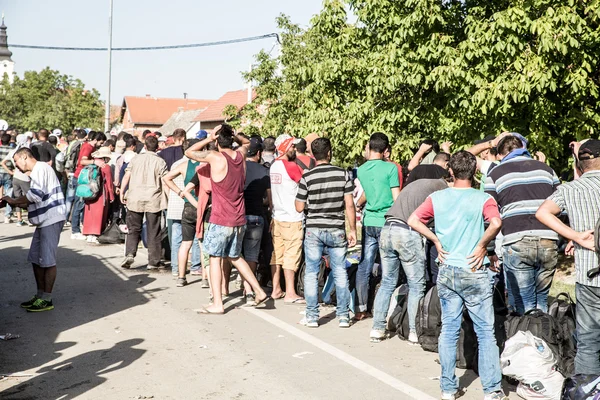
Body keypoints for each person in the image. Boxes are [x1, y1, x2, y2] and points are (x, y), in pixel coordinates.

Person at [408, 151, 506, 400]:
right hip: (474, 269)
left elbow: (413, 219)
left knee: (449, 329)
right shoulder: (483, 198)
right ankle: (492, 389)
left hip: (448, 267)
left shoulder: (437, 197)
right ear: (475, 172)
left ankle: (448, 387)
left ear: (450, 171)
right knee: (485, 332)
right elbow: (495, 223)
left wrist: (436, 240)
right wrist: (483, 245)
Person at [185, 124, 270, 314]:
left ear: (217, 140)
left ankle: (217, 303)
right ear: (231, 139)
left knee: (215, 258)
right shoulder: (240, 154)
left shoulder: (214, 157)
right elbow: (246, 141)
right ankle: (258, 291)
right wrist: (235, 134)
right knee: (235, 256)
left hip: (220, 217)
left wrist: (208, 138)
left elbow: (189, 152)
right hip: (239, 217)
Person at [535, 139, 600, 375]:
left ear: (580, 165)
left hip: (589, 274)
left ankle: (588, 390)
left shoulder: (570, 189)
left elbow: (543, 212)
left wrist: (575, 236)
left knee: (589, 342)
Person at [485, 135, 559, 314]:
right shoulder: (547, 170)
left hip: (516, 239)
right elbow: (561, 207)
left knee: (523, 300)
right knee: (542, 298)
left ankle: (526, 336)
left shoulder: (494, 174)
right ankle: (543, 336)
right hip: (548, 238)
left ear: (501, 154)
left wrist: (489, 249)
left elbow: (488, 214)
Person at [370, 177, 448, 343]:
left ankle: (377, 328)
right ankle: (414, 331)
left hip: (387, 228)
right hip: (407, 232)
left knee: (387, 282)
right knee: (416, 285)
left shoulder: (419, 184)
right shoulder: (442, 187)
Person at [295, 137, 357, 328]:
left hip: (314, 229)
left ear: (312, 155)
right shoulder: (343, 174)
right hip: (337, 229)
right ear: (329, 153)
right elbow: (349, 204)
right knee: (340, 271)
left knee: (312, 272)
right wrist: (352, 229)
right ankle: (344, 316)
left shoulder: (307, 176)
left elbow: (299, 207)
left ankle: (312, 316)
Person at [2, 147, 67, 312]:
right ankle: (40, 295)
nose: (16, 166)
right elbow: (34, 200)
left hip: (51, 218)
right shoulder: (38, 171)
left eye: (16, 161)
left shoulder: (40, 169)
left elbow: (34, 197)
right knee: (36, 259)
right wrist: (12, 202)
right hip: (44, 220)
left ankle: (47, 298)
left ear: (24, 157)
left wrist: (14, 201)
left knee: (47, 260)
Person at [355, 132, 401, 320]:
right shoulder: (390, 169)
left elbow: (368, 191)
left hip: (368, 222)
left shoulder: (362, 169)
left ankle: (360, 308)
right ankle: (385, 309)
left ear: (369, 146)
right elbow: (396, 198)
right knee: (389, 267)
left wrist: (359, 202)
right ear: (385, 150)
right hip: (386, 222)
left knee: (364, 265)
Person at [120, 135, 168, 270]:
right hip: (154, 199)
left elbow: (126, 176)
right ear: (157, 147)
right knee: (154, 230)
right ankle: (153, 261)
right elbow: (165, 181)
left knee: (133, 228)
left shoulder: (135, 159)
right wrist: (168, 198)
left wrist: (123, 192)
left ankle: (130, 253)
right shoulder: (161, 162)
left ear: (145, 146)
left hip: (135, 197)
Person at [269, 134, 306, 303]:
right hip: (293, 217)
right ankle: (290, 292)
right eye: (292, 146)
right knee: (292, 255)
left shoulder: (273, 166)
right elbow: (306, 183)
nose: (295, 149)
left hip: (278, 216)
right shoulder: (291, 166)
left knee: (277, 254)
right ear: (284, 148)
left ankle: (276, 288)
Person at [162, 139, 204, 286]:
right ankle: (205, 278)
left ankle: (181, 277)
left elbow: (166, 178)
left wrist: (180, 192)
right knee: (202, 243)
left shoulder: (184, 165)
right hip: (202, 205)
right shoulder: (205, 165)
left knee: (185, 243)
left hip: (186, 207)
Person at [240, 137, 272, 304]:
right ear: (259, 154)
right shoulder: (264, 171)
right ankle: (249, 289)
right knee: (252, 255)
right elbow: (269, 200)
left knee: (236, 255)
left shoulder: (239, 168)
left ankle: (225, 287)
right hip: (257, 216)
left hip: (238, 215)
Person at [71, 132, 106, 240]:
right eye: (101, 142)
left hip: (83, 178)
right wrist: (95, 161)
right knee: (79, 204)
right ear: (95, 140)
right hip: (81, 179)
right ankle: (75, 231)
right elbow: (82, 161)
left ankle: (79, 228)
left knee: (81, 204)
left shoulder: (87, 146)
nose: (101, 144)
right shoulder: (88, 147)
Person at [82, 147, 114, 244]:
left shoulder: (91, 163)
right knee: (99, 214)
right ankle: (96, 233)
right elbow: (109, 183)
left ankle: (88, 233)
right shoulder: (106, 166)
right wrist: (111, 196)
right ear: (105, 157)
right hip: (101, 193)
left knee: (89, 212)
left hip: (89, 191)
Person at [2, 134, 32, 226]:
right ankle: (31, 218)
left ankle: (19, 219)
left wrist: (10, 172)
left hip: (15, 177)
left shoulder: (13, 151)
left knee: (17, 198)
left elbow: (3, 162)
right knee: (29, 198)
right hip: (25, 177)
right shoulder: (26, 152)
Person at [0, 132, 13, 223]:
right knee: (9, 194)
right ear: (9, 141)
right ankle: (7, 216)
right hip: (9, 172)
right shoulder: (12, 150)